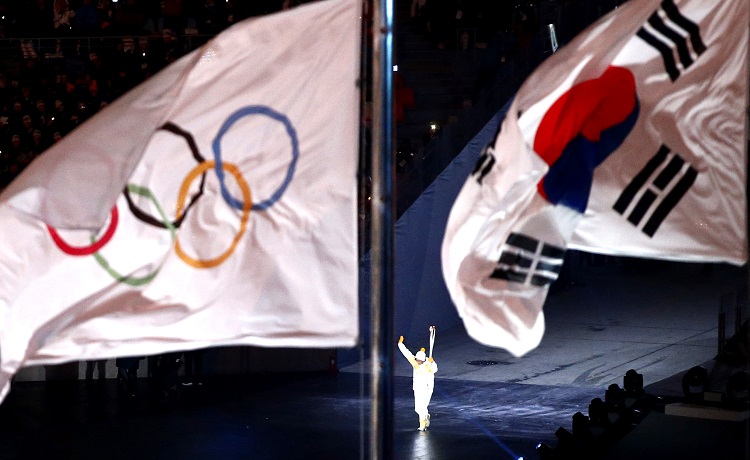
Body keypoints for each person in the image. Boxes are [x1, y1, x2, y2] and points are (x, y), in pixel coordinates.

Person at [397, 327, 438, 431]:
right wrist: (400, 344)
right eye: (417, 359)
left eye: (419, 360)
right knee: (417, 408)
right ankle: (426, 416)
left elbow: (435, 369)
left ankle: (422, 425)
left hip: (427, 389)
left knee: (422, 407)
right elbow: (407, 353)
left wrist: (432, 362)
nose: (417, 361)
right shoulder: (414, 362)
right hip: (417, 388)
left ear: (423, 360)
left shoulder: (428, 365)